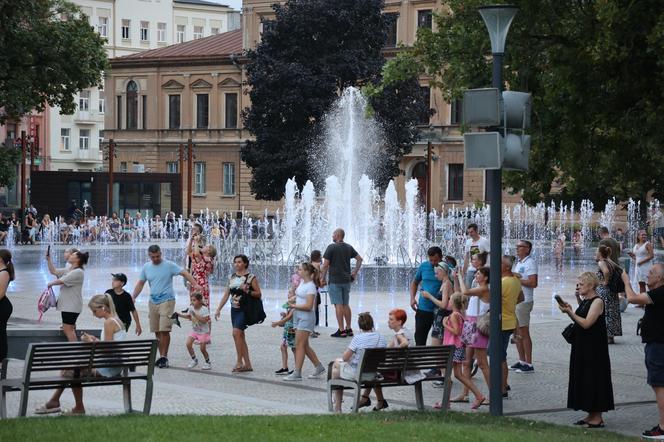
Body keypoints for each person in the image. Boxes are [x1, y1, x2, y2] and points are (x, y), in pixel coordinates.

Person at [35, 294, 127, 416]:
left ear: (103, 308)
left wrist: (91, 342)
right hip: (115, 365)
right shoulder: (117, 320)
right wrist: (95, 340)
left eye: (95, 311)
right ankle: (55, 401)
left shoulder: (109, 323)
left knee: (70, 370)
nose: (94, 314)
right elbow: (111, 346)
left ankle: (74, 407)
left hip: (107, 368)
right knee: (70, 368)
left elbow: (107, 350)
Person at [558, 272, 614, 428]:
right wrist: (570, 310)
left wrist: (570, 312)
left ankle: (598, 417)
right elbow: (580, 320)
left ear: (591, 285)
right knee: (584, 378)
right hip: (582, 347)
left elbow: (587, 323)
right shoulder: (585, 301)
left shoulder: (597, 302)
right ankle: (591, 413)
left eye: (581, 284)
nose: (578, 286)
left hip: (593, 350)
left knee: (593, 378)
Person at [132, 244, 201, 369]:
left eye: (157, 256)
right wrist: (133, 297)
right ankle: (161, 357)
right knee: (157, 331)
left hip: (167, 300)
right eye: (153, 257)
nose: (156, 259)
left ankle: (164, 357)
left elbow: (184, 273)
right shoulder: (146, 267)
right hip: (153, 301)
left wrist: (195, 284)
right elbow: (141, 283)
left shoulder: (169, 265)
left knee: (165, 329)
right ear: (149, 256)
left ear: (161, 253)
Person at [621, 263, 664, 439]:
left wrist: (626, 280)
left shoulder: (660, 293)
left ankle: (663, 428)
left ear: (660, 278)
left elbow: (631, 298)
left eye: (652, 273)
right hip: (657, 344)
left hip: (658, 346)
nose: (647, 275)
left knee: (660, 385)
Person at [330, 312, 387, 412]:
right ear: (372, 324)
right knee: (336, 370)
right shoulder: (381, 337)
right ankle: (337, 405)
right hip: (374, 373)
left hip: (358, 374)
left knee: (336, 366)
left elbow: (345, 358)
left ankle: (337, 407)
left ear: (360, 326)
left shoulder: (358, 338)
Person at [214, 254, 262, 372]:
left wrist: (247, 290)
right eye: (235, 262)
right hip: (234, 309)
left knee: (236, 333)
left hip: (244, 309)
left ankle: (239, 361)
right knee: (240, 336)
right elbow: (227, 294)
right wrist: (219, 308)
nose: (237, 264)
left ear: (245, 263)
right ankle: (248, 364)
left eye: (239, 262)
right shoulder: (232, 277)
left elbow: (258, 294)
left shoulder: (251, 277)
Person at [359, 308, 413, 410]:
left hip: (401, 372)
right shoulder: (404, 332)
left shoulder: (399, 334)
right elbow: (386, 349)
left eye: (391, 320)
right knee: (375, 369)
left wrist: (395, 353)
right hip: (408, 368)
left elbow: (404, 343)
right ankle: (375, 400)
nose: (389, 322)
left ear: (399, 322)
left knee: (373, 371)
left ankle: (368, 399)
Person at [440, 293, 486, 409]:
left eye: (450, 300)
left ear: (453, 303)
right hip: (458, 347)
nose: (448, 302)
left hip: (453, 348)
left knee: (448, 375)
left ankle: (446, 402)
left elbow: (456, 332)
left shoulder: (454, 315)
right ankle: (479, 395)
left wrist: (445, 324)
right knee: (459, 375)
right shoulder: (460, 314)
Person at [283, 262, 326, 381]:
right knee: (305, 345)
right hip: (298, 316)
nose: (298, 271)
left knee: (299, 345)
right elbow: (300, 296)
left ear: (307, 272)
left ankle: (297, 373)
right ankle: (318, 366)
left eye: (300, 270)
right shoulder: (303, 282)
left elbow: (308, 306)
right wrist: (293, 299)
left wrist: (294, 306)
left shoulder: (311, 287)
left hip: (306, 318)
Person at [320, 228, 363, 338]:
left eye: (333, 234)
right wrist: (354, 272)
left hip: (335, 280)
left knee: (338, 305)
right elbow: (360, 259)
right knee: (345, 304)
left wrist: (322, 278)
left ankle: (341, 330)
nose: (332, 236)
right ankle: (349, 329)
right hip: (346, 280)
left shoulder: (331, 247)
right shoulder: (348, 247)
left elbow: (325, 265)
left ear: (338, 235)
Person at [456, 266, 490, 402]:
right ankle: (465, 394)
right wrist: (456, 278)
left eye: (478, 273)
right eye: (476, 272)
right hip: (470, 324)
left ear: (486, 277)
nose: (476, 275)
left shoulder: (484, 289)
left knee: (482, 363)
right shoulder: (478, 288)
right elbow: (461, 294)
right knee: (466, 362)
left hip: (477, 325)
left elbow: (466, 291)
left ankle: (493, 395)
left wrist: (460, 275)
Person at [46, 249, 89, 342]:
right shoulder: (69, 269)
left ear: (77, 259)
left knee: (68, 329)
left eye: (73, 255)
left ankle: (75, 351)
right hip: (68, 305)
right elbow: (54, 271)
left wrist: (51, 283)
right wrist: (48, 260)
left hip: (71, 306)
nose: (70, 256)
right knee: (68, 328)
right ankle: (73, 350)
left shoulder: (78, 272)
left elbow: (61, 280)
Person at [511, 240, 538, 373]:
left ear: (527, 249)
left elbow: (533, 283)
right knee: (517, 332)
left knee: (523, 331)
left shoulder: (530, 263)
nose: (517, 248)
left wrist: (515, 279)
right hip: (516, 301)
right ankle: (522, 360)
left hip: (524, 301)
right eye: (516, 246)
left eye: (520, 246)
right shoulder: (519, 263)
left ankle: (529, 363)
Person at [409, 246, 444, 346]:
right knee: (420, 337)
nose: (433, 263)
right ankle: (420, 359)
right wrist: (412, 298)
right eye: (431, 260)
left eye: (436, 260)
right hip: (424, 308)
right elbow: (415, 283)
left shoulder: (446, 268)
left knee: (440, 339)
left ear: (441, 257)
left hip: (441, 309)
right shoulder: (423, 266)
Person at [501, 255, 523, 398]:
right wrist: (510, 304)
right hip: (510, 320)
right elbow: (522, 298)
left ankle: (502, 387)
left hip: (501, 322)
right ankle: (504, 383)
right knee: (501, 355)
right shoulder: (516, 280)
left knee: (499, 357)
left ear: (507, 267)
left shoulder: (503, 282)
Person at [422, 262, 454, 349]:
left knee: (435, 349)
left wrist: (429, 296)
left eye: (437, 273)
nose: (436, 276)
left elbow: (444, 305)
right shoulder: (444, 284)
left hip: (441, 320)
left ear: (443, 272)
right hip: (439, 319)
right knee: (439, 349)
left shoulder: (447, 284)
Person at [177, 293, 212, 370]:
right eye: (191, 300)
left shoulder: (204, 309)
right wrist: (179, 315)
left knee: (202, 349)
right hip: (195, 330)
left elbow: (205, 321)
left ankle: (208, 362)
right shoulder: (191, 308)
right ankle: (194, 360)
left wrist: (195, 315)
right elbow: (189, 317)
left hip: (203, 332)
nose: (192, 302)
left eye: (194, 300)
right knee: (188, 344)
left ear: (199, 301)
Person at [596, 245, 623, 344]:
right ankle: (610, 336)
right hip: (612, 291)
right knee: (612, 312)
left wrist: (605, 281)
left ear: (600, 253)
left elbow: (606, 272)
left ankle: (605, 335)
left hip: (604, 291)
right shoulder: (610, 262)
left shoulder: (601, 262)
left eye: (596, 251)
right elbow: (620, 269)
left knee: (604, 312)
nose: (595, 253)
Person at [271, 289, 296, 375]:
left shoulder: (295, 306)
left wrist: (277, 323)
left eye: (290, 293)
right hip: (287, 330)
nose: (288, 294)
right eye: (288, 292)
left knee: (294, 348)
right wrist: (284, 315)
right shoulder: (289, 306)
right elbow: (287, 317)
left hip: (293, 331)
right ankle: (285, 367)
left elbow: (289, 318)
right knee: (283, 347)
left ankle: (297, 368)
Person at [462, 223, 490, 288]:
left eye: (472, 232)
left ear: (476, 231)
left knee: (479, 289)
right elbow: (467, 257)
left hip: (481, 270)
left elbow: (490, 254)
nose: (470, 234)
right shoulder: (468, 242)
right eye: (469, 232)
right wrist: (463, 271)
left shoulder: (484, 241)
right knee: (468, 289)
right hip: (471, 270)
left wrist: (486, 267)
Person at [0, 250, 14, 362]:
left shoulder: (4, 273)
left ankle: (1, 361)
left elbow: (1, 293)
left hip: (2, 307)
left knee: (1, 334)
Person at [310, 250, 323, 338]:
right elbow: (314, 279)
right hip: (312, 290)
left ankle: (311, 330)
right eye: (321, 256)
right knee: (312, 310)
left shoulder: (310, 265)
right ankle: (311, 331)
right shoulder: (317, 266)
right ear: (318, 257)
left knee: (311, 310)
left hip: (311, 289)